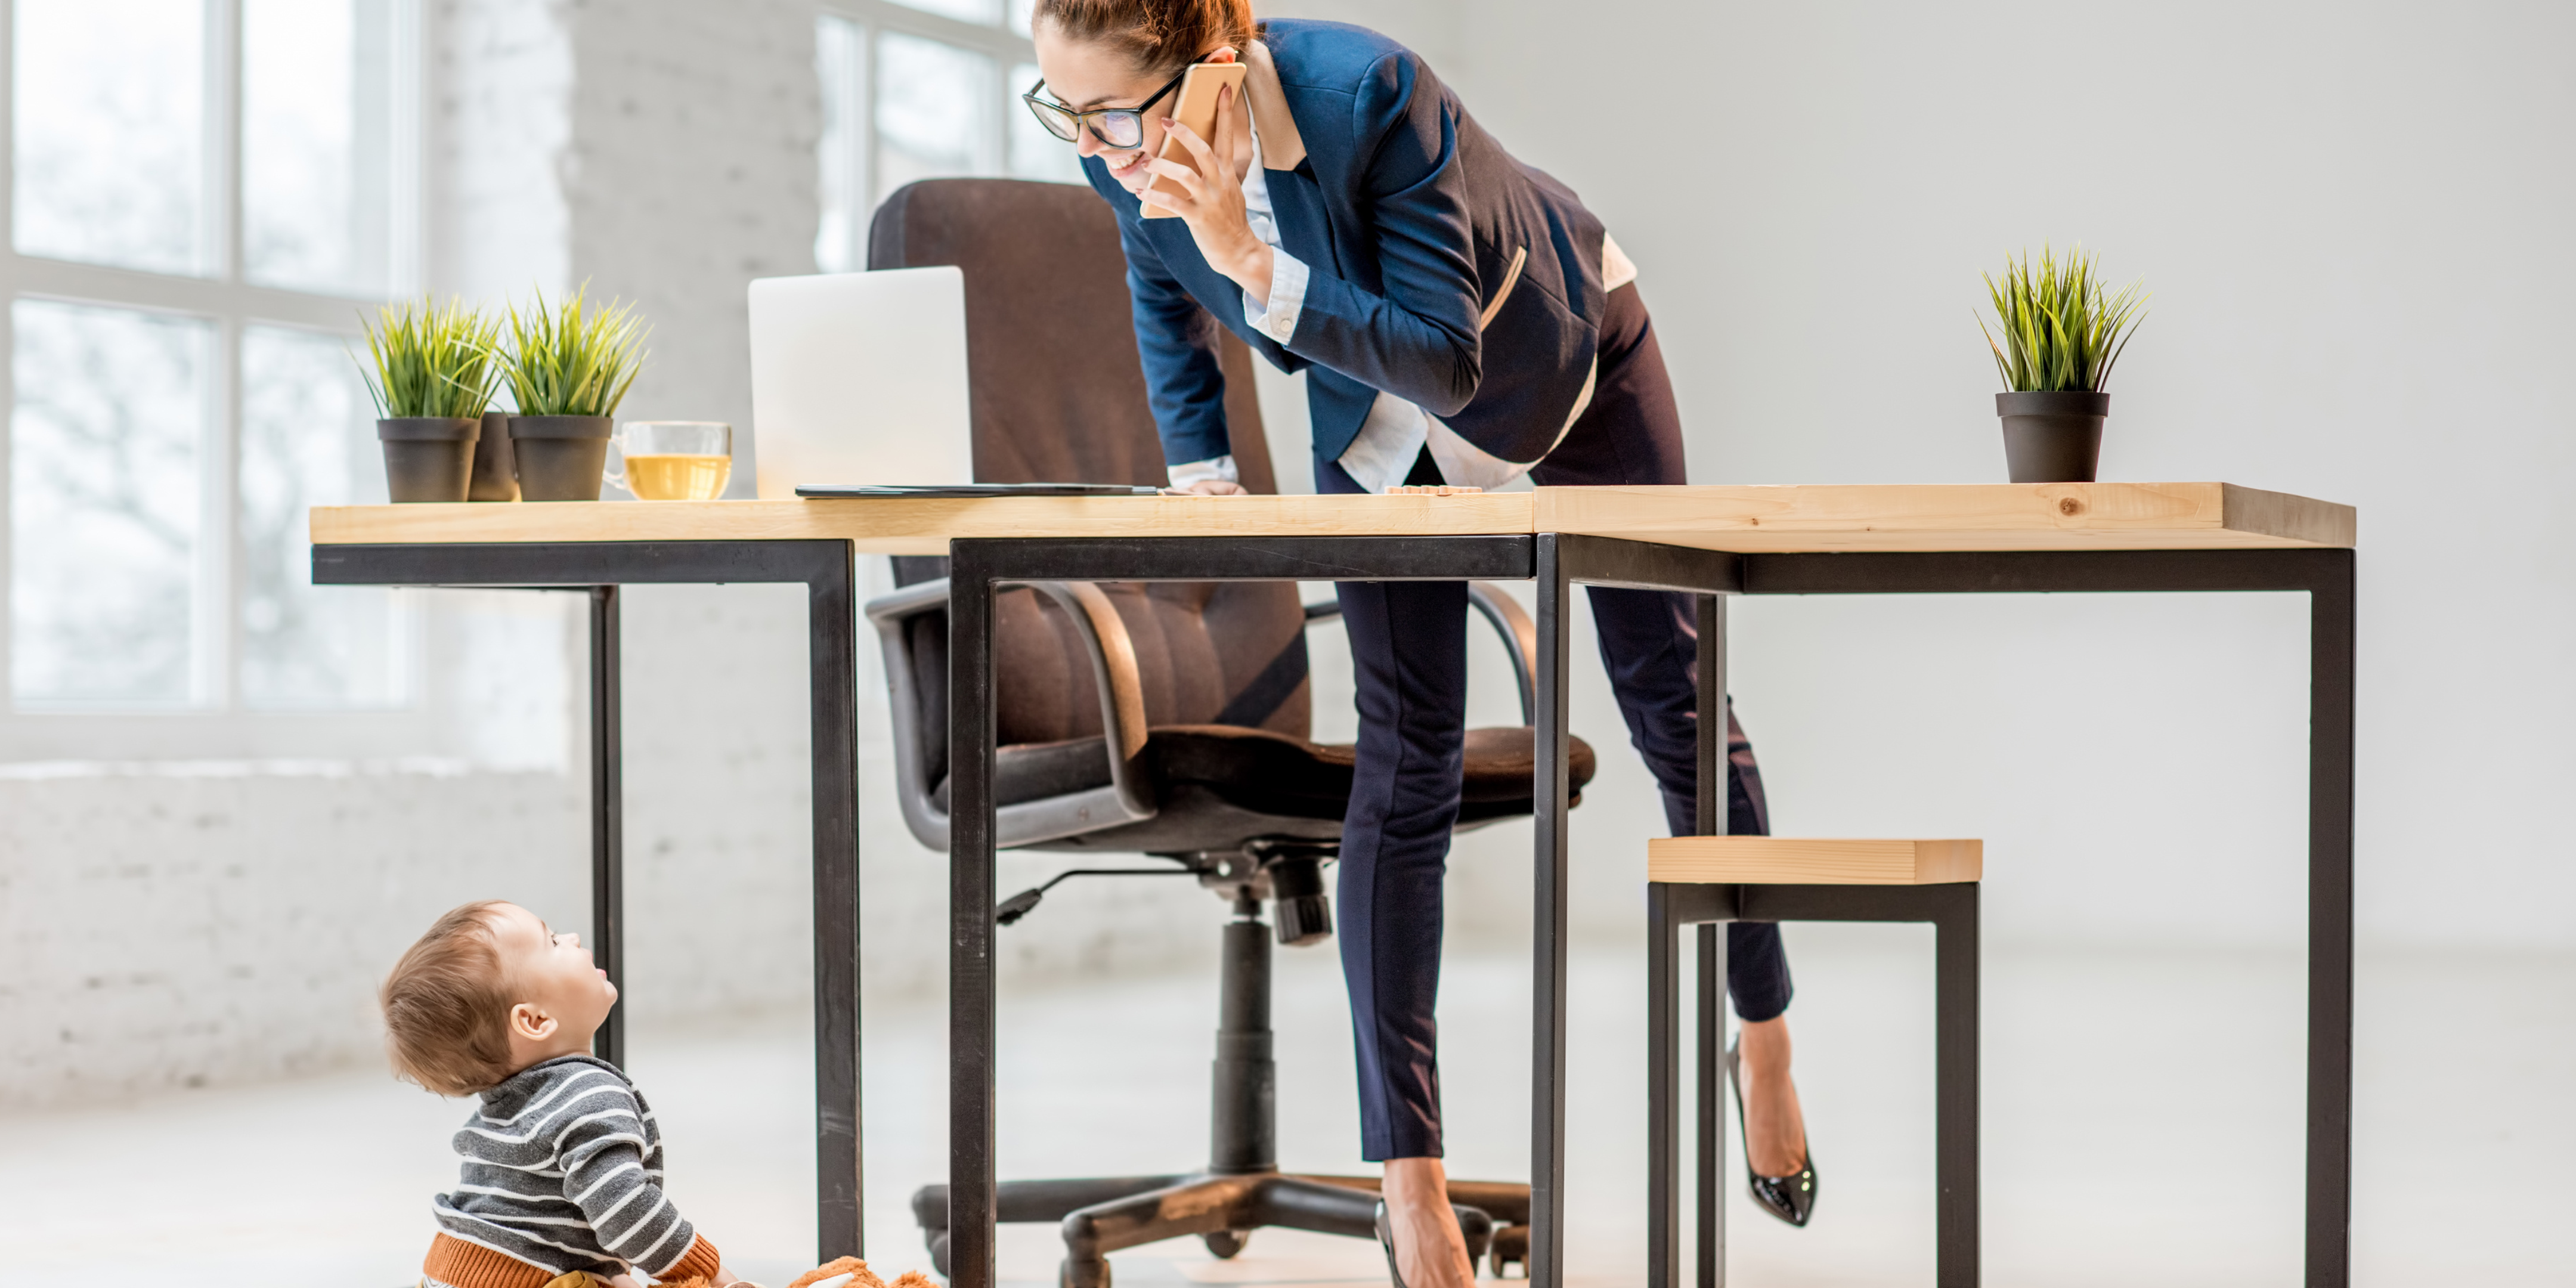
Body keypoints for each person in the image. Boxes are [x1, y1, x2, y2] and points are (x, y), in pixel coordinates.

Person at [1027, 4, 1818, 1283]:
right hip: (1375, 423)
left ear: (1218, 61)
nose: (1099, 151)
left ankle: (1765, 1033)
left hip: (1553, 362)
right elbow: (1159, 289)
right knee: (1408, 765)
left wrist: (1244, 248)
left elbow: (1447, 361)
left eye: (1118, 115)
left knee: (1673, 695)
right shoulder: (1115, 145)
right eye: (1065, 114)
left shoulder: (1370, 92)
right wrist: (1204, 470)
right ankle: (1412, 1179)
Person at [382, 901, 749, 1288]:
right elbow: (627, 1213)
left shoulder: (505, 1110)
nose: (572, 938)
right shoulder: (588, 1094)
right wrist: (716, 1276)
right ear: (535, 1020)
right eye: (553, 942)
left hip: (448, 1270)